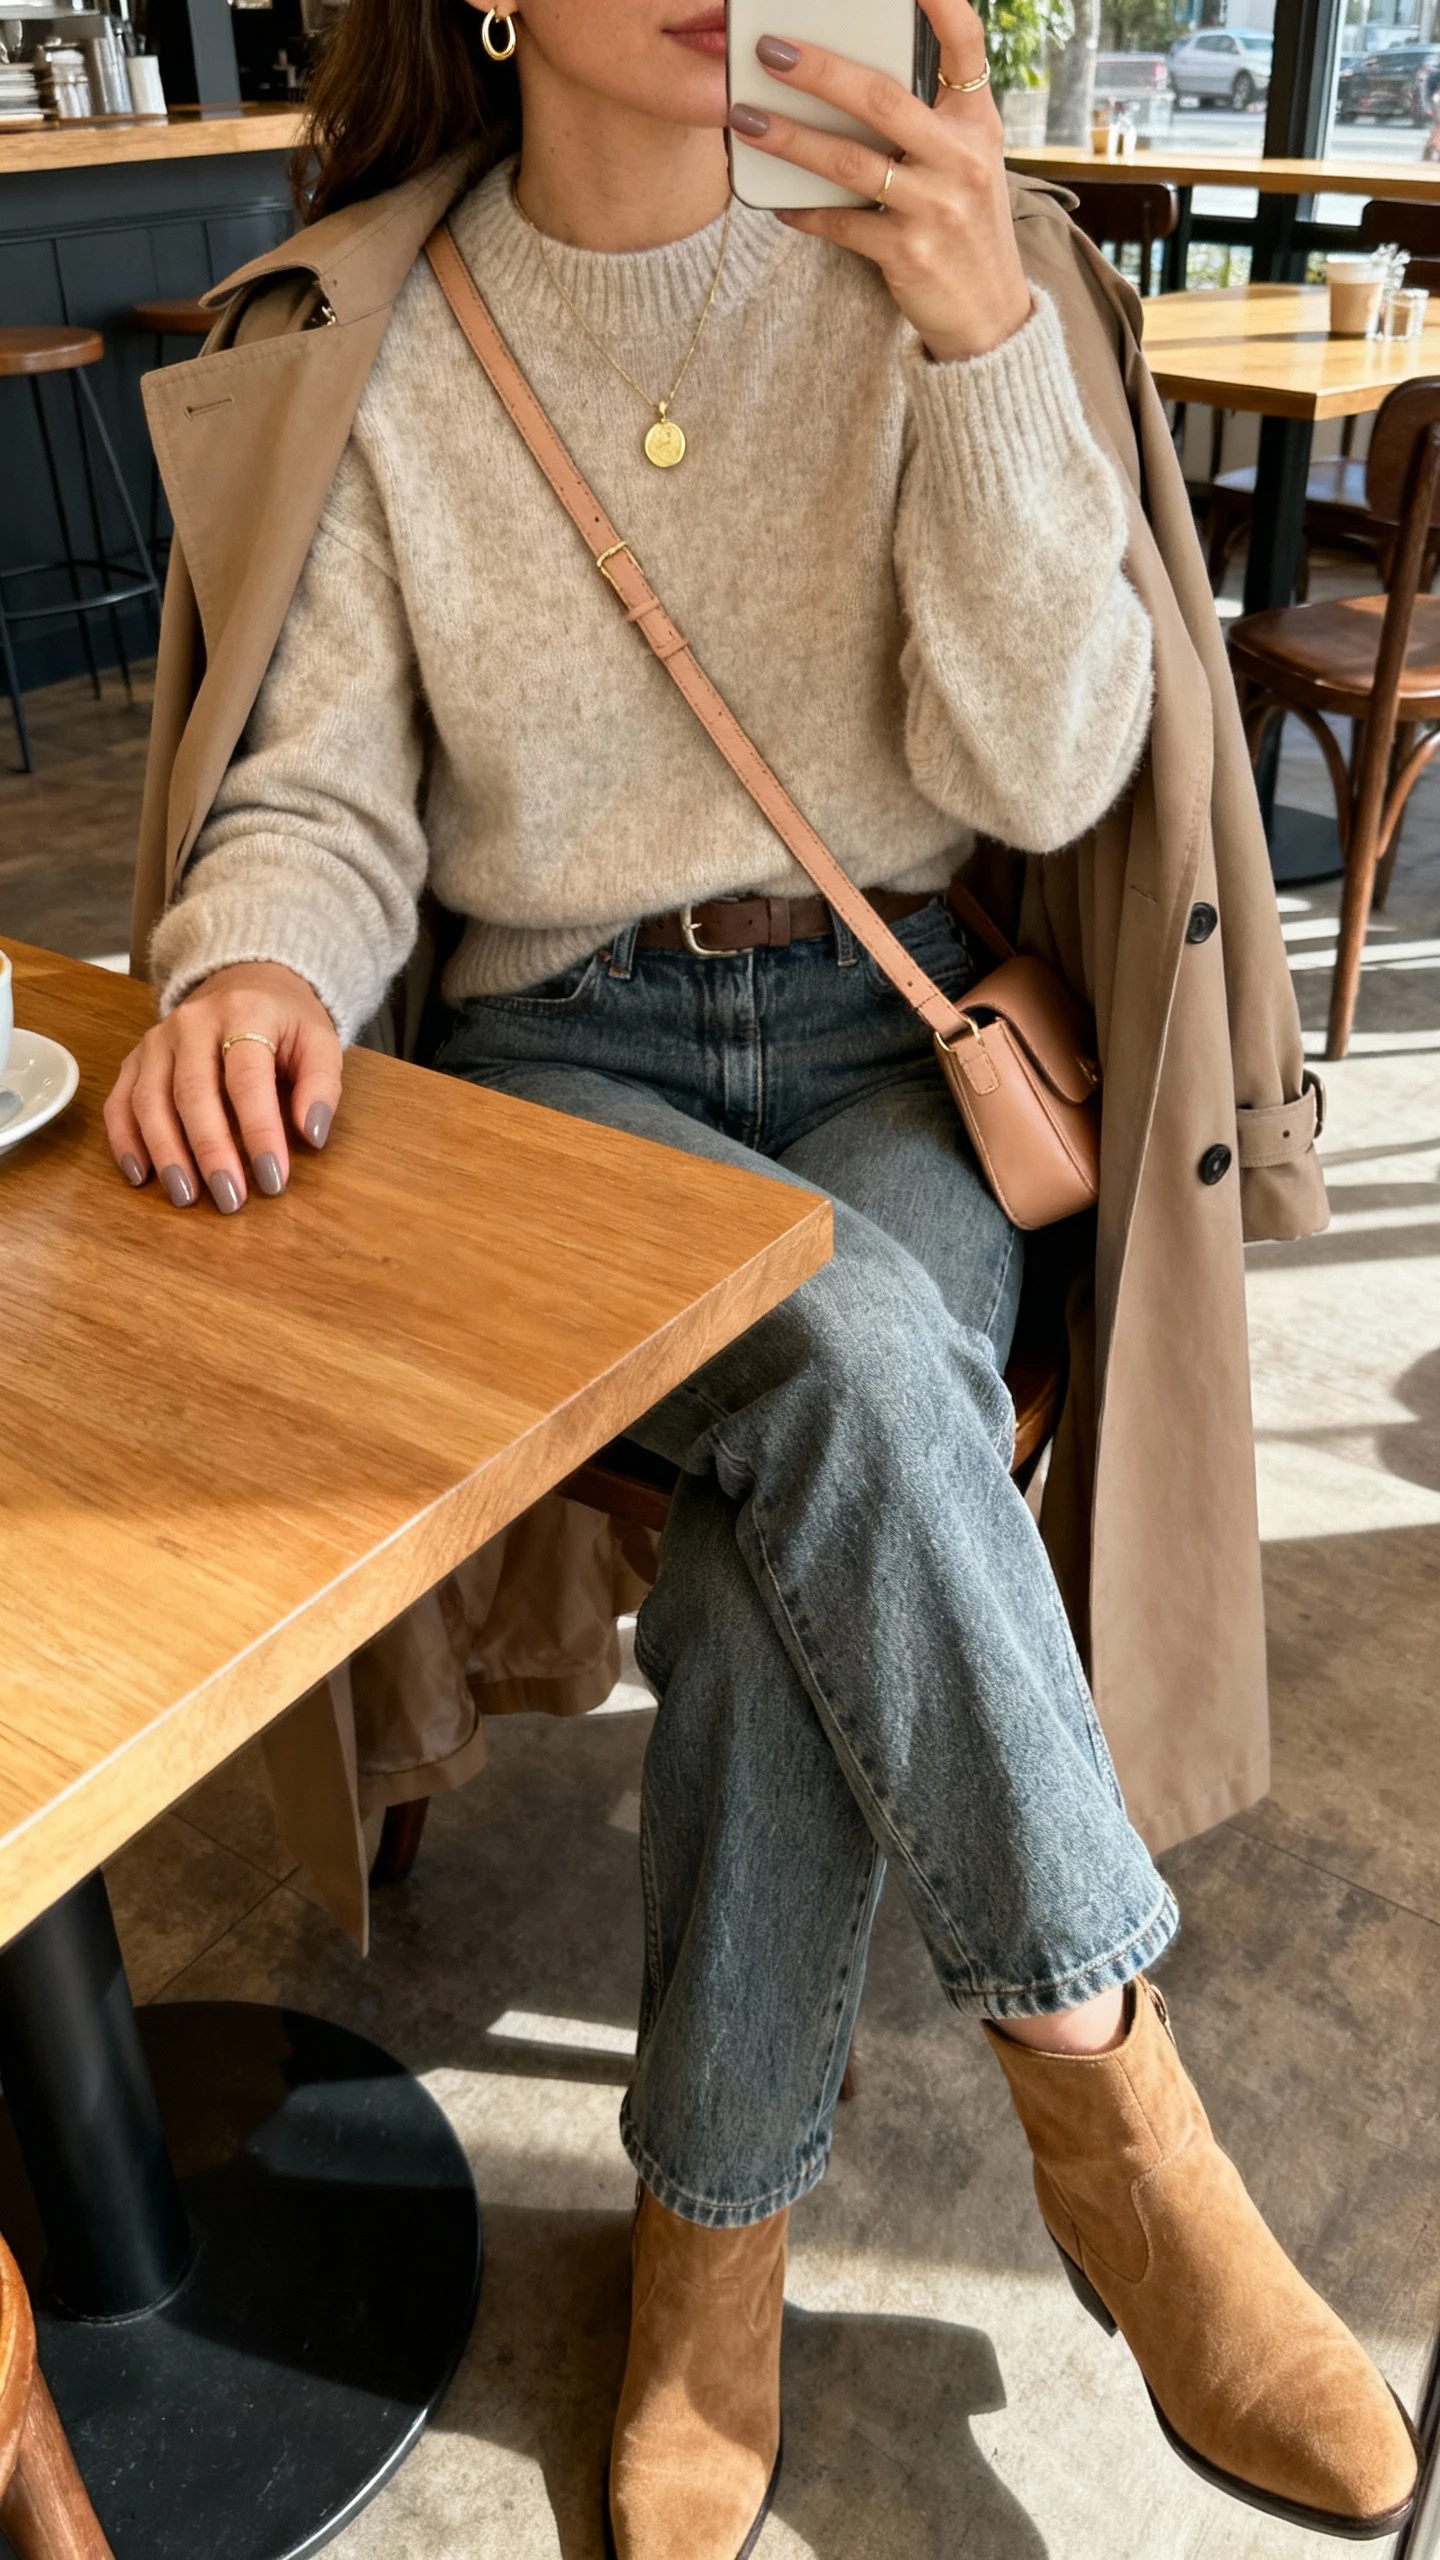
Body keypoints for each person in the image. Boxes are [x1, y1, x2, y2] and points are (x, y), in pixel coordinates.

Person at [106, 2, 1419, 2552]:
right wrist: (252, 955)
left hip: (900, 1036)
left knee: (783, 1488)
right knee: (836, 1349)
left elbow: (1051, 777)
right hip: (560, 1056)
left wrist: (978, 350)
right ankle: (1115, 2101)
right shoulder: (394, 332)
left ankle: (712, 2231)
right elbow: (323, 785)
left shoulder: (930, 268)